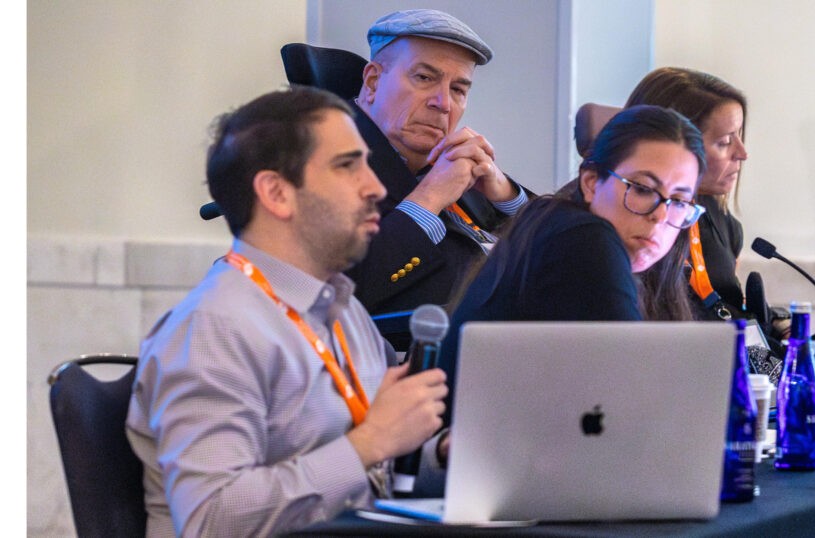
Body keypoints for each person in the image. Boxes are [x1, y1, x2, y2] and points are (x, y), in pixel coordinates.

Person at [125, 86, 449, 536]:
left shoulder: (344, 310)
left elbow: (381, 468)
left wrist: (442, 453)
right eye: (347, 166)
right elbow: (210, 519)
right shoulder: (213, 329)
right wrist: (369, 443)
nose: (376, 188)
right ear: (277, 193)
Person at [437, 105, 707, 426]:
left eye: (679, 201)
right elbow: (634, 405)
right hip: (472, 453)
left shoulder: (556, 225)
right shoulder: (584, 238)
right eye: (642, 189)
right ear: (591, 183)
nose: (660, 216)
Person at [345, 9, 531, 315]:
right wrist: (429, 199)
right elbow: (343, 290)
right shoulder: (325, 161)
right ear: (373, 82)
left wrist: (508, 195)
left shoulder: (453, 161)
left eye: (457, 89)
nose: (443, 104)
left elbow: (557, 245)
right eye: (424, 78)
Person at [623, 67, 750, 322]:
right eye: (725, 142)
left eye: (739, 136)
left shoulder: (725, 224)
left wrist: (777, 323)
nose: (742, 153)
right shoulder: (626, 224)